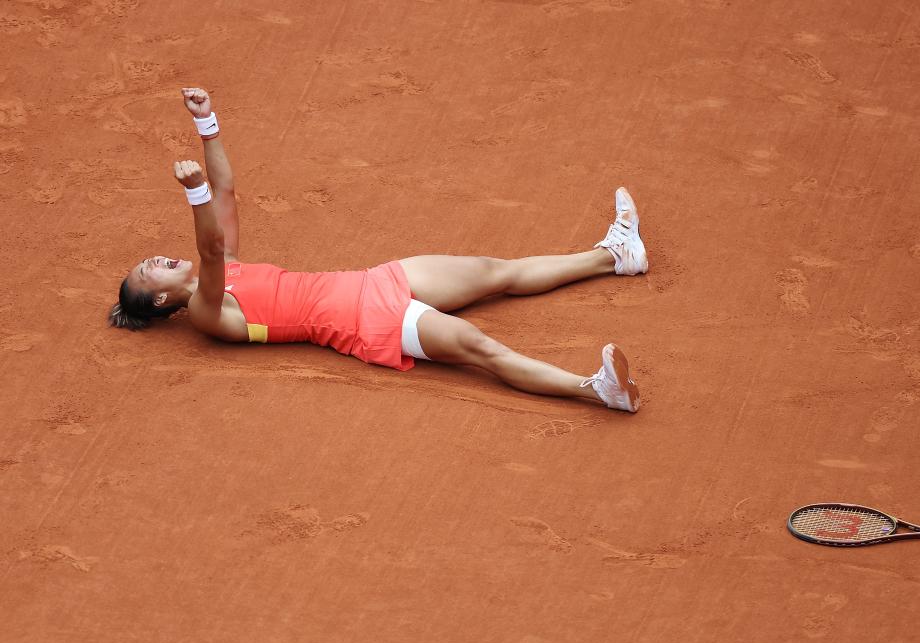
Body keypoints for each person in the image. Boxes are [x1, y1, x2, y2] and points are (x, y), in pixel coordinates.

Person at [109, 88, 647, 412]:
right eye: (146, 272)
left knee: (496, 272)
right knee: (482, 348)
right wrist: (193, 190)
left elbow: (227, 196)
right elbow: (210, 244)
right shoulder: (206, 312)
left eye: (148, 258)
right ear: (159, 303)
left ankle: (616, 254)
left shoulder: (227, 274)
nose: (155, 259)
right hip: (369, 323)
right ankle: (596, 391)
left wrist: (208, 123)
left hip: (375, 281)